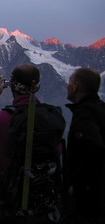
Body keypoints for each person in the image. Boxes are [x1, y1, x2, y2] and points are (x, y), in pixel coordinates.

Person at [0, 64, 65, 224]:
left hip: (11, 205)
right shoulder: (53, 118)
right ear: (37, 86)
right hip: (46, 204)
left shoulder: (2, 119)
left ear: (11, 86)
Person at [64, 67, 105, 224]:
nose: (67, 86)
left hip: (88, 200)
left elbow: (92, 147)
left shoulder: (84, 114)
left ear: (76, 86)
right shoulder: (100, 108)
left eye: (70, 82)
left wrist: (79, 186)